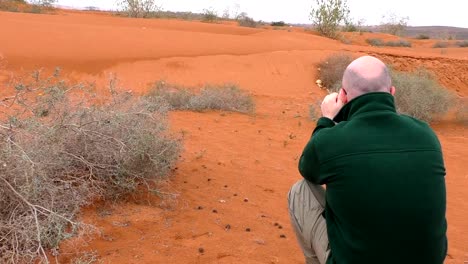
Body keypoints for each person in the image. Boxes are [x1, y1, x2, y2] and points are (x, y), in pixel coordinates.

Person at [288, 56, 447, 264]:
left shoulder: (332, 141)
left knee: (300, 191)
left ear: (343, 96)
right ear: (392, 92)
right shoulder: (427, 135)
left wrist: (326, 120)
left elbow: (308, 168)